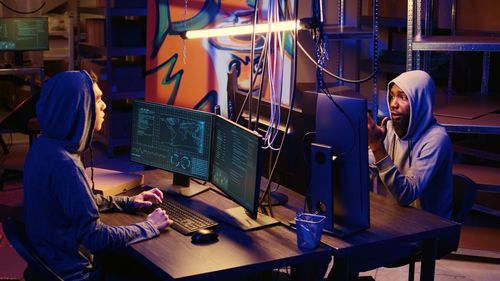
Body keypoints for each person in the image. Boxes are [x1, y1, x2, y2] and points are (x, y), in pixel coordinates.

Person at [23, 70, 173, 280]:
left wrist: (129, 201)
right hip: (77, 274)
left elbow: (77, 202)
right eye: (98, 99)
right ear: (79, 108)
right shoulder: (66, 166)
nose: (103, 106)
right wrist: (148, 226)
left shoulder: (43, 147)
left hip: (51, 263)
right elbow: (96, 238)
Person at [367, 70, 453, 219]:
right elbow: (368, 166)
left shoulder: (437, 139)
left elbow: (407, 195)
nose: (393, 104)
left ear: (420, 102)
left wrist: (377, 146)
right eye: (392, 96)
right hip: (398, 219)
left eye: (403, 97)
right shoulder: (389, 129)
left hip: (430, 229)